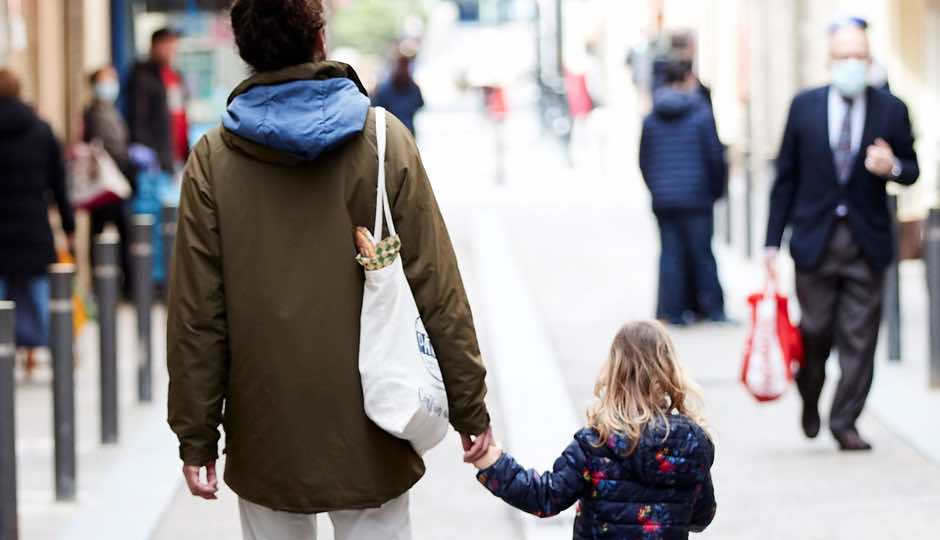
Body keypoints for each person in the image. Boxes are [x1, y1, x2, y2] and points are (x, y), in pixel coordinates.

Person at [166, 1, 492, 538]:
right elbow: (436, 288)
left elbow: (198, 316)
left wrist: (196, 435)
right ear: (320, 39)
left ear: (243, 49)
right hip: (374, 417)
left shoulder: (212, 160)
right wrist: (469, 406)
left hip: (266, 427)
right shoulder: (384, 142)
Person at [765, 21, 919, 451]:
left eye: (859, 56)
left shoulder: (891, 109)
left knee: (860, 337)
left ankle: (844, 420)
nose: (851, 64)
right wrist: (770, 243)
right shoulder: (804, 107)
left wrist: (893, 167)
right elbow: (785, 178)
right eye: (843, 56)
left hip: (866, 243)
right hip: (815, 242)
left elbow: (912, 168)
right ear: (829, 61)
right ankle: (810, 391)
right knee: (815, 331)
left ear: (869, 61)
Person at [473, 321, 716, 539]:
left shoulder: (597, 443)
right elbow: (701, 516)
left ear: (613, 372)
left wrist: (494, 464)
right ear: (669, 370)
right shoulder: (691, 446)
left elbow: (545, 498)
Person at [639, 59, 728, 326]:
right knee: (702, 253)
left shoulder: (652, 117)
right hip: (697, 197)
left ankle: (672, 311)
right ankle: (712, 309)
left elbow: (644, 159)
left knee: (670, 254)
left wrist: (657, 188)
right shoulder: (701, 113)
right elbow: (715, 157)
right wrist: (714, 190)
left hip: (665, 199)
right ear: (689, 78)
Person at [0, 69, 75, 377]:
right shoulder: (41, 130)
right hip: (33, 225)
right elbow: (59, 184)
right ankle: (61, 355)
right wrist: (69, 227)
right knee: (43, 298)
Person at [83, 66, 134, 297]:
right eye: (106, 80)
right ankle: (106, 287)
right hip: (106, 183)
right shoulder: (94, 113)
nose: (111, 84)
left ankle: (126, 285)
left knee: (123, 233)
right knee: (102, 232)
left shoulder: (111, 110)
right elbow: (108, 146)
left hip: (116, 181)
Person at [127, 27, 189, 172]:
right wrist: (147, 152)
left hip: (178, 157)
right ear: (155, 46)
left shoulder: (176, 76)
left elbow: (180, 114)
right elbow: (137, 118)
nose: (172, 49)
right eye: (167, 44)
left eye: (174, 44)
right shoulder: (142, 77)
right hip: (155, 160)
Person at [372, 48, 425, 136]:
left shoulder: (384, 87)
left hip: (393, 130)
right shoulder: (412, 87)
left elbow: (376, 106)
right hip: (400, 130)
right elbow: (420, 104)